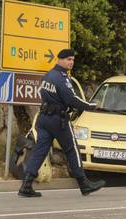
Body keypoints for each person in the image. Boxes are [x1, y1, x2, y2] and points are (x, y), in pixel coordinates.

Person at [18, 49, 105, 197]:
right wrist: (90, 106)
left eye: (72, 60)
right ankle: (84, 184)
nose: (71, 62)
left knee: (40, 151)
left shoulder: (48, 76)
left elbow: (47, 95)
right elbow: (72, 99)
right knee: (72, 150)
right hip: (58, 121)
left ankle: (26, 185)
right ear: (60, 59)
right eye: (68, 59)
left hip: (44, 118)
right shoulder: (61, 78)